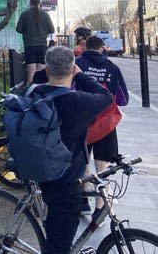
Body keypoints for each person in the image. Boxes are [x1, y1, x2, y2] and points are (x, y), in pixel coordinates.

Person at [33, 46, 111, 254]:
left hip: (42, 172)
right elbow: (105, 95)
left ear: (47, 70)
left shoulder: (34, 94)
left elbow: (37, 80)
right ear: (73, 70)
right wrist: (80, 74)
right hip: (66, 182)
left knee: (56, 231)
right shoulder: (78, 102)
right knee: (59, 247)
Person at [76, 35, 129, 218]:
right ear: (102, 48)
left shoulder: (77, 64)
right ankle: (100, 208)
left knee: (82, 161)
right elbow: (123, 99)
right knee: (103, 167)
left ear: (85, 47)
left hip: (82, 120)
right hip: (105, 124)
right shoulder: (113, 68)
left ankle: (84, 200)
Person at [16, 0, 55, 84]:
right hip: (42, 46)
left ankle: (30, 93)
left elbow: (18, 29)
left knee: (31, 71)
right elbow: (52, 30)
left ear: (30, 3)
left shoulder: (24, 14)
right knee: (41, 71)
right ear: (39, 3)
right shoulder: (45, 15)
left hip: (29, 46)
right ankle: (40, 93)